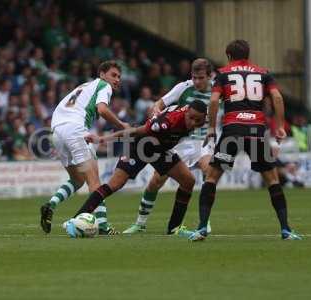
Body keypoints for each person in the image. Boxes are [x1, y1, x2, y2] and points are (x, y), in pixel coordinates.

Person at [188, 40, 302, 241]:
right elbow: (277, 98)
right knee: (273, 180)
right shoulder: (263, 73)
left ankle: (202, 228)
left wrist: (212, 128)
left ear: (229, 55)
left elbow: (214, 101)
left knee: (212, 178)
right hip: (256, 130)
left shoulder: (223, 74)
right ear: (247, 55)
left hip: (232, 129)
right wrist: (281, 125)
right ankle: (285, 229)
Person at [65, 100, 207, 237]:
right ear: (186, 112)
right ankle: (74, 220)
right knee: (115, 184)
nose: (193, 123)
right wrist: (102, 139)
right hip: (139, 145)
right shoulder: (165, 123)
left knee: (188, 181)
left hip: (160, 150)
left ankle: (174, 228)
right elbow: (135, 131)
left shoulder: (195, 117)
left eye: (198, 121)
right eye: (191, 118)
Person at [123, 58, 213, 234]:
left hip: (203, 143)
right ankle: (140, 223)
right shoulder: (183, 88)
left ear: (209, 76)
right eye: (194, 77)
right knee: (156, 181)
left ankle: (204, 221)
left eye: (201, 78)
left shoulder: (218, 91)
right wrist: (156, 113)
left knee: (209, 173)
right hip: (180, 142)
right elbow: (159, 104)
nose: (197, 81)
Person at [40, 60, 130, 235]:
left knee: (77, 180)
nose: (117, 79)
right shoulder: (104, 86)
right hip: (75, 129)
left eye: (119, 76)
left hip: (57, 132)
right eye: (114, 75)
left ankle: (51, 204)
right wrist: (121, 125)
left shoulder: (85, 86)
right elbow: (102, 110)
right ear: (102, 74)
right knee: (94, 182)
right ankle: (103, 227)